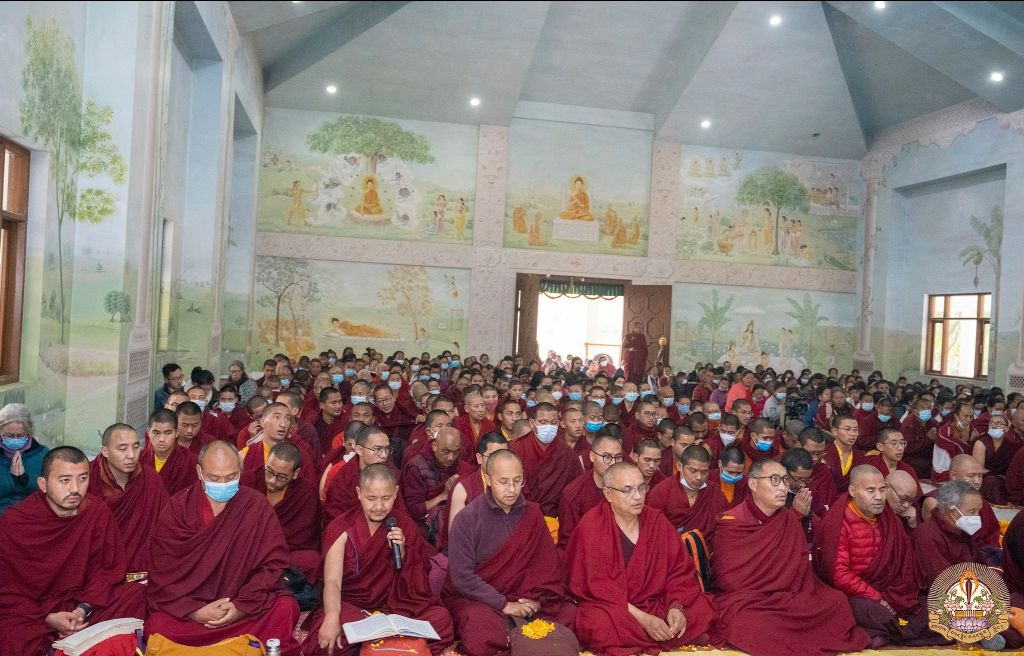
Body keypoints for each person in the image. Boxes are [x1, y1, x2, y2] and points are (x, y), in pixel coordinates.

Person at [146, 440, 301, 653]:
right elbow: (162, 572)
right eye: (214, 478)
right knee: (157, 626)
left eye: (231, 477)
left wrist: (240, 607)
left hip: (240, 606)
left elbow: (272, 564)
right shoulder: (178, 509)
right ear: (199, 472)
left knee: (285, 608)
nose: (223, 484)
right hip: (193, 611)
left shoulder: (255, 505)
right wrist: (193, 611)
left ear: (240, 471)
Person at [711, 458, 870, 655]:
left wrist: (785, 590)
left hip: (788, 594)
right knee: (747, 621)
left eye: (785, 480)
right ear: (753, 484)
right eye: (774, 480)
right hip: (750, 599)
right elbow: (728, 580)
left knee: (836, 601)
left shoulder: (789, 519)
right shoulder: (732, 522)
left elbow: (800, 570)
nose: (783, 488)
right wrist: (770, 589)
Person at [0, 447, 147, 656]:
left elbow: (107, 570)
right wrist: (48, 617)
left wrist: (81, 610)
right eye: (64, 480)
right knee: (11, 636)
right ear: (43, 484)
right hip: (35, 611)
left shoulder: (96, 512)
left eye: (83, 478)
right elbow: (8, 589)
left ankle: (73, 642)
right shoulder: (17, 522)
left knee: (134, 595)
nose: (75, 489)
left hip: (83, 604)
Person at [304, 464, 454, 656]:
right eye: (371, 498)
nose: (378, 506)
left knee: (441, 619)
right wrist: (332, 616)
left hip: (396, 608)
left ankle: (374, 646)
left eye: (386, 498)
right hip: (354, 608)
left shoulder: (404, 526)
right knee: (326, 638)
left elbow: (417, 585)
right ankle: (394, 647)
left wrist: (405, 554)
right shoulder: (341, 527)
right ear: (359, 493)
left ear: (396, 493)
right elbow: (332, 581)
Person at [567, 462, 716, 656]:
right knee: (597, 624)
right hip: (615, 608)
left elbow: (679, 571)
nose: (637, 497)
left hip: (655, 602)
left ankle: (657, 632)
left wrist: (676, 607)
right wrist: (644, 620)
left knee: (703, 608)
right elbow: (598, 589)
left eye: (641, 488)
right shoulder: (591, 526)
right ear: (608, 493)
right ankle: (662, 634)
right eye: (627, 490)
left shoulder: (656, 521)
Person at [445, 450, 576, 655]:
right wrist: (503, 604)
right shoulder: (467, 519)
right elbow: (461, 577)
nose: (512, 489)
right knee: (476, 621)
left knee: (570, 612)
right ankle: (525, 638)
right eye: (503, 482)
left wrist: (537, 601)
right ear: (488, 479)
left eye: (517, 481)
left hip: (526, 598)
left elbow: (546, 566)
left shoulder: (533, 513)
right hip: (484, 600)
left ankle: (519, 635)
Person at [813, 465, 937, 648]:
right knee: (873, 612)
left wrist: (894, 596)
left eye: (882, 489)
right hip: (854, 594)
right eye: (870, 490)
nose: (879, 497)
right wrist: (877, 597)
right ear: (853, 491)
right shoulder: (837, 522)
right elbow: (838, 575)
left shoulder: (888, 518)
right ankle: (887, 631)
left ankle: (883, 633)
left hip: (887, 590)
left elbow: (904, 563)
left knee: (928, 605)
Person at [913, 480, 1022, 650]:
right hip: (945, 598)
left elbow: (979, 568)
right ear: (952, 511)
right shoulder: (927, 534)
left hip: (972, 591)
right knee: (1012, 634)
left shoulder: (961, 530)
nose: (977, 517)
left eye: (978, 511)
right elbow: (943, 583)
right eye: (972, 512)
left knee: (1015, 599)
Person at [88, 423, 169, 576]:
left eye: (136, 447)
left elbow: (166, 526)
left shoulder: (150, 479)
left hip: (142, 571)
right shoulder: (88, 479)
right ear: (105, 451)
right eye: (122, 448)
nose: (131, 455)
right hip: (98, 570)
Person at [240, 441, 322, 584]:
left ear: (295, 474)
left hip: (283, 554)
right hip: (249, 551)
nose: (272, 480)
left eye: (281, 477)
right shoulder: (248, 481)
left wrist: (270, 549)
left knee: (312, 560)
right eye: (269, 471)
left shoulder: (306, 492)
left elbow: (303, 539)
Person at [508, 402, 583, 537]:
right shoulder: (515, 449)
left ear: (559, 424)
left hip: (554, 523)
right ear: (532, 423)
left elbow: (577, 491)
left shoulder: (566, 454)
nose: (548, 427)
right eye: (543, 422)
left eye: (553, 422)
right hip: (518, 520)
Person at [920, 454, 1001, 560]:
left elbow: (991, 535)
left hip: (982, 556)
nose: (977, 481)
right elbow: (938, 539)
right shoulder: (935, 502)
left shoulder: (981, 502)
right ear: (953, 476)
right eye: (971, 476)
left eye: (980, 476)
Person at [323, 425, 404, 523]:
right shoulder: (343, 478)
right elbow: (335, 519)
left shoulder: (391, 472)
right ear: (359, 450)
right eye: (378, 449)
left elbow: (400, 514)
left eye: (387, 449)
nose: (384, 455)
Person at [441, 432, 508, 552]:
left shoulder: (513, 483)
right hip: (473, 551)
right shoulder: (463, 487)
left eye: (504, 456)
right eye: (493, 456)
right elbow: (456, 536)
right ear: (479, 458)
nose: (499, 462)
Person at [646, 444, 727, 542]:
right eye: (693, 471)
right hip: (672, 550)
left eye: (704, 472)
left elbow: (724, 528)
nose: (699, 477)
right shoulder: (661, 492)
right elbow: (654, 532)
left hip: (707, 553)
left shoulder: (714, 492)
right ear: (679, 466)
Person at [557, 433, 623, 548]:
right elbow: (568, 543)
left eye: (617, 457)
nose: (613, 463)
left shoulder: (628, 488)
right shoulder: (574, 493)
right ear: (592, 456)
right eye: (607, 457)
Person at [400, 426, 462, 541]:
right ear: (434, 446)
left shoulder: (461, 466)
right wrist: (443, 495)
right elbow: (414, 511)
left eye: (456, 452)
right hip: (426, 527)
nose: (451, 457)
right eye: (446, 451)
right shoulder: (416, 467)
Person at [0, 403, 49, 515]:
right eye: (10, 435)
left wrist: (24, 479)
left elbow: (51, 490)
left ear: (29, 432)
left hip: (32, 513)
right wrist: (11, 479)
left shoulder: (42, 453)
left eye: (20, 435)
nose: (15, 439)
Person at [142, 408, 200, 496]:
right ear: (148, 433)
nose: (162, 439)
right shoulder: (139, 459)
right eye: (156, 433)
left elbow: (193, 497)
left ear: (177, 433)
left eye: (168, 433)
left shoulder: (191, 461)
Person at [972, 411, 1018, 504]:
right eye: (991, 423)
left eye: (998, 423)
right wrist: (996, 475)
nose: (994, 425)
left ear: (1006, 428)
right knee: (992, 481)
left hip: (1004, 479)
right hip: (985, 478)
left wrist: (1005, 477)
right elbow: (978, 469)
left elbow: (1012, 469)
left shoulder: (1011, 446)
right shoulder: (981, 443)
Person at [865, 428, 922, 498]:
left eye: (902, 443)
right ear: (880, 446)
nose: (900, 448)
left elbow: (917, 498)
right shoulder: (870, 466)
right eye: (894, 443)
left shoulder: (908, 470)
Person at [823, 414, 867, 494]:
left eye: (855, 430)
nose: (853, 434)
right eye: (848, 429)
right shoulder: (825, 455)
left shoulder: (860, 456)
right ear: (834, 431)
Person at [932, 401, 973, 482]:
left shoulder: (971, 429)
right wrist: (964, 441)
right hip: (943, 471)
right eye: (965, 416)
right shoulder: (945, 430)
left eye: (971, 417)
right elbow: (957, 450)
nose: (968, 419)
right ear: (956, 416)